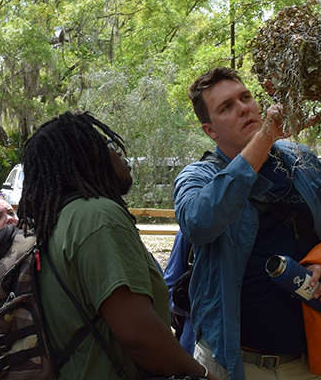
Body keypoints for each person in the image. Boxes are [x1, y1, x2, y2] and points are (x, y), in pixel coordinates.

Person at [175, 67, 321, 380]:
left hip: (304, 363)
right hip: (229, 364)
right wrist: (265, 138)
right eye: (226, 107)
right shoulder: (198, 178)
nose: (243, 107)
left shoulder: (303, 161)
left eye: (245, 97)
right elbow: (199, 223)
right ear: (210, 130)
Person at [21, 112, 212, 380]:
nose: (119, 152)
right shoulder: (98, 216)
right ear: (85, 154)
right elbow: (139, 334)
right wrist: (203, 373)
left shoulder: (59, 221)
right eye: (107, 142)